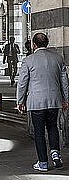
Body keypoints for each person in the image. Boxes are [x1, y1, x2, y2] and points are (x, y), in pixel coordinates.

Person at [16, 32, 69, 172]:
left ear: (34, 45)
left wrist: (20, 101)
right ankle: (55, 153)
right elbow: (65, 82)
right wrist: (66, 100)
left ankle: (43, 163)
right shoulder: (58, 58)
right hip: (54, 100)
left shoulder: (28, 60)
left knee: (39, 132)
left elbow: (22, 83)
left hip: (36, 102)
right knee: (53, 127)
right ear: (47, 43)